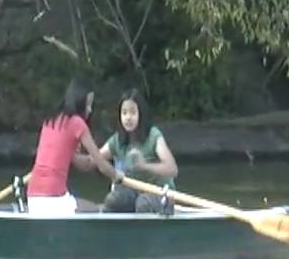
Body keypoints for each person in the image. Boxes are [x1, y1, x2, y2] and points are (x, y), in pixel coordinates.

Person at [26, 78, 123, 215]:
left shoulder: (51, 120)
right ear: (79, 101)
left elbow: (83, 164)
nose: (89, 110)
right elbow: (101, 165)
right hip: (54, 198)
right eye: (88, 104)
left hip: (33, 197)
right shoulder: (77, 123)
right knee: (96, 209)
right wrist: (116, 175)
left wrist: (85, 158)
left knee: (80, 202)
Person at [99, 88, 178, 213]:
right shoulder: (117, 140)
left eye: (132, 113)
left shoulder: (153, 135)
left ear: (140, 114)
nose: (128, 118)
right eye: (124, 113)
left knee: (143, 203)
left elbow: (172, 170)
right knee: (113, 201)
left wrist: (144, 166)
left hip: (159, 193)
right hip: (133, 192)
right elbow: (96, 158)